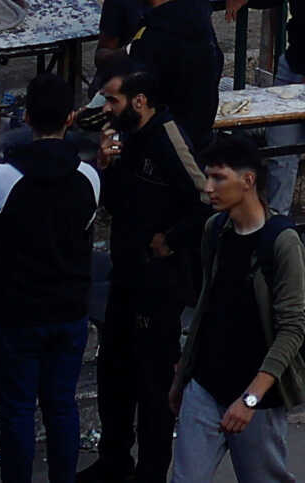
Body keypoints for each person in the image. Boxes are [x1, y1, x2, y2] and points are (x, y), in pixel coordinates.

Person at [0, 73, 99, 483]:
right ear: (71, 117)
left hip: (17, 312)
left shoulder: (2, 179)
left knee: (18, 410)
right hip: (69, 309)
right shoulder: (89, 177)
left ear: (25, 117)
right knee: (61, 405)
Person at [170, 134, 305, 483]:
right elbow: (206, 303)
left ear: (248, 181)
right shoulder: (215, 230)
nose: (208, 187)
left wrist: (250, 399)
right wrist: (182, 374)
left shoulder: (282, 242)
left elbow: (292, 328)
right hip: (205, 385)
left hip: (257, 394)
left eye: (219, 177)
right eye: (207, 177)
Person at [91, 62, 205, 483]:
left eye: (113, 99)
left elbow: (207, 201)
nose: (106, 108)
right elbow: (115, 203)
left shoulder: (168, 138)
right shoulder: (128, 139)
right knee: (114, 372)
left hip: (160, 282)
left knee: (153, 383)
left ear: (139, 101)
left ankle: (152, 470)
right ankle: (114, 458)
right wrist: (105, 165)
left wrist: (170, 240)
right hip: (125, 274)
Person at [122, 0, 225, 150]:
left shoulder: (152, 37)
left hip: (163, 147)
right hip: (200, 139)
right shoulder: (200, 24)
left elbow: (139, 96)